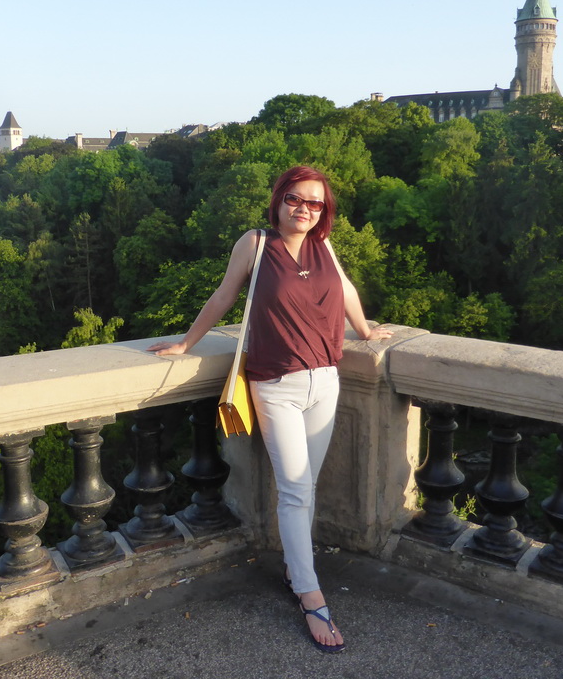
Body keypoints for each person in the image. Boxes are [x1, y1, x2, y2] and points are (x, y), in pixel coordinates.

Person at [147, 165, 392, 654]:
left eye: (315, 203)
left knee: (305, 487)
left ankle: (293, 567)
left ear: (325, 211)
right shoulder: (257, 244)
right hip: (275, 384)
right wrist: (186, 343)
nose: (305, 209)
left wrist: (364, 332)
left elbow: (344, 291)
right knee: (296, 490)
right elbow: (224, 294)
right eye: (296, 200)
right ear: (279, 201)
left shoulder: (324, 247)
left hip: (326, 379)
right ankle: (309, 592)